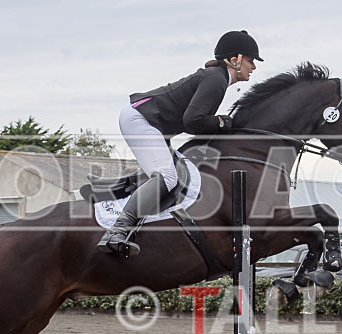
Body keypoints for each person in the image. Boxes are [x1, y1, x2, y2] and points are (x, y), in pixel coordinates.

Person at [98, 30, 262, 256]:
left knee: (172, 169)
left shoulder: (216, 78)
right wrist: (222, 122)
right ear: (235, 59)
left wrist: (220, 124)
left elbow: (193, 122)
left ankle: (118, 188)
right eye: (251, 61)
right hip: (141, 119)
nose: (253, 67)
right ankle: (118, 230)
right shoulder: (216, 79)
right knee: (167, 176)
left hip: (147, 120)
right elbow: (192, 122)